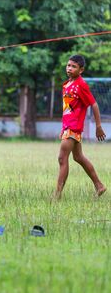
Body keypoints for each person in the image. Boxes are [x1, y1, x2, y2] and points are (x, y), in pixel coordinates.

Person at [54, 54, 107, 199]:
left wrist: (98, 126)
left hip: (74, 127)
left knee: (62, 158)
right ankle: (99, 185)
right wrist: (63, 128)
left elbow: (94, 104)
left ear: (81, 70)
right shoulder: (66, 85)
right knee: (78, 157)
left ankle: (57, 195)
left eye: (73, 66)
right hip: (68, 127)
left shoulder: (81, 85)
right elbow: (67, 109)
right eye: (68, 65)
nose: (69, 68)